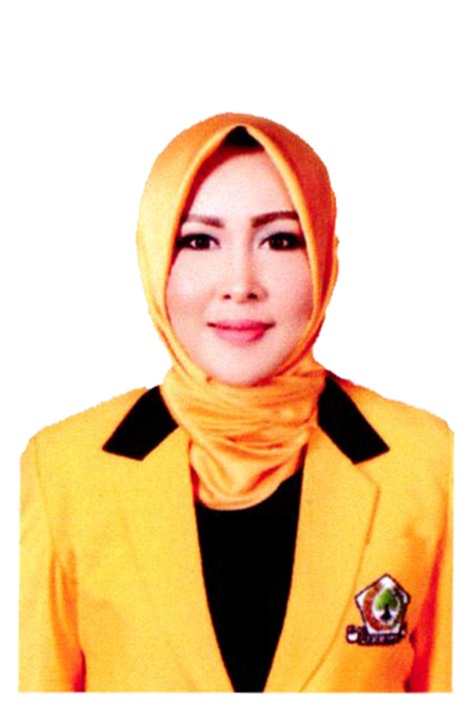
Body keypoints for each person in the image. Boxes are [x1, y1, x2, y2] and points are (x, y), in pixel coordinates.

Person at [19, 113, 453, 692]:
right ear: (154, 256)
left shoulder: (429, 464)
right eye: (199, 240)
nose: (240, 284)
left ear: (324, 256)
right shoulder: (63, 469)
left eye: (280, 240)